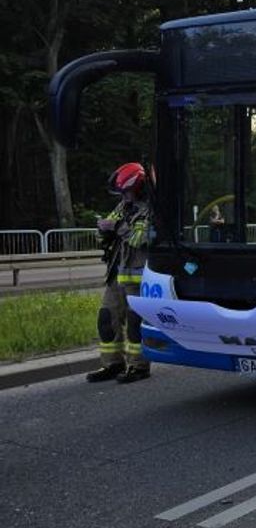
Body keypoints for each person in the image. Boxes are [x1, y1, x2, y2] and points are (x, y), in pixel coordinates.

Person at [86, 162, 153, 384]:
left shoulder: (149, 209)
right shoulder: (123, 207)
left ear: (139, 186)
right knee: (106, 318)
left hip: (138, 278)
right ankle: (112, 364)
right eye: (121, 192)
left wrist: (116, 228)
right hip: (117, 273)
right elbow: (109, 228)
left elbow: (139, 239)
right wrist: (103, 231)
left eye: (126, 191)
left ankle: (139, 366)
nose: (123, 196)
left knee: (135, 324)